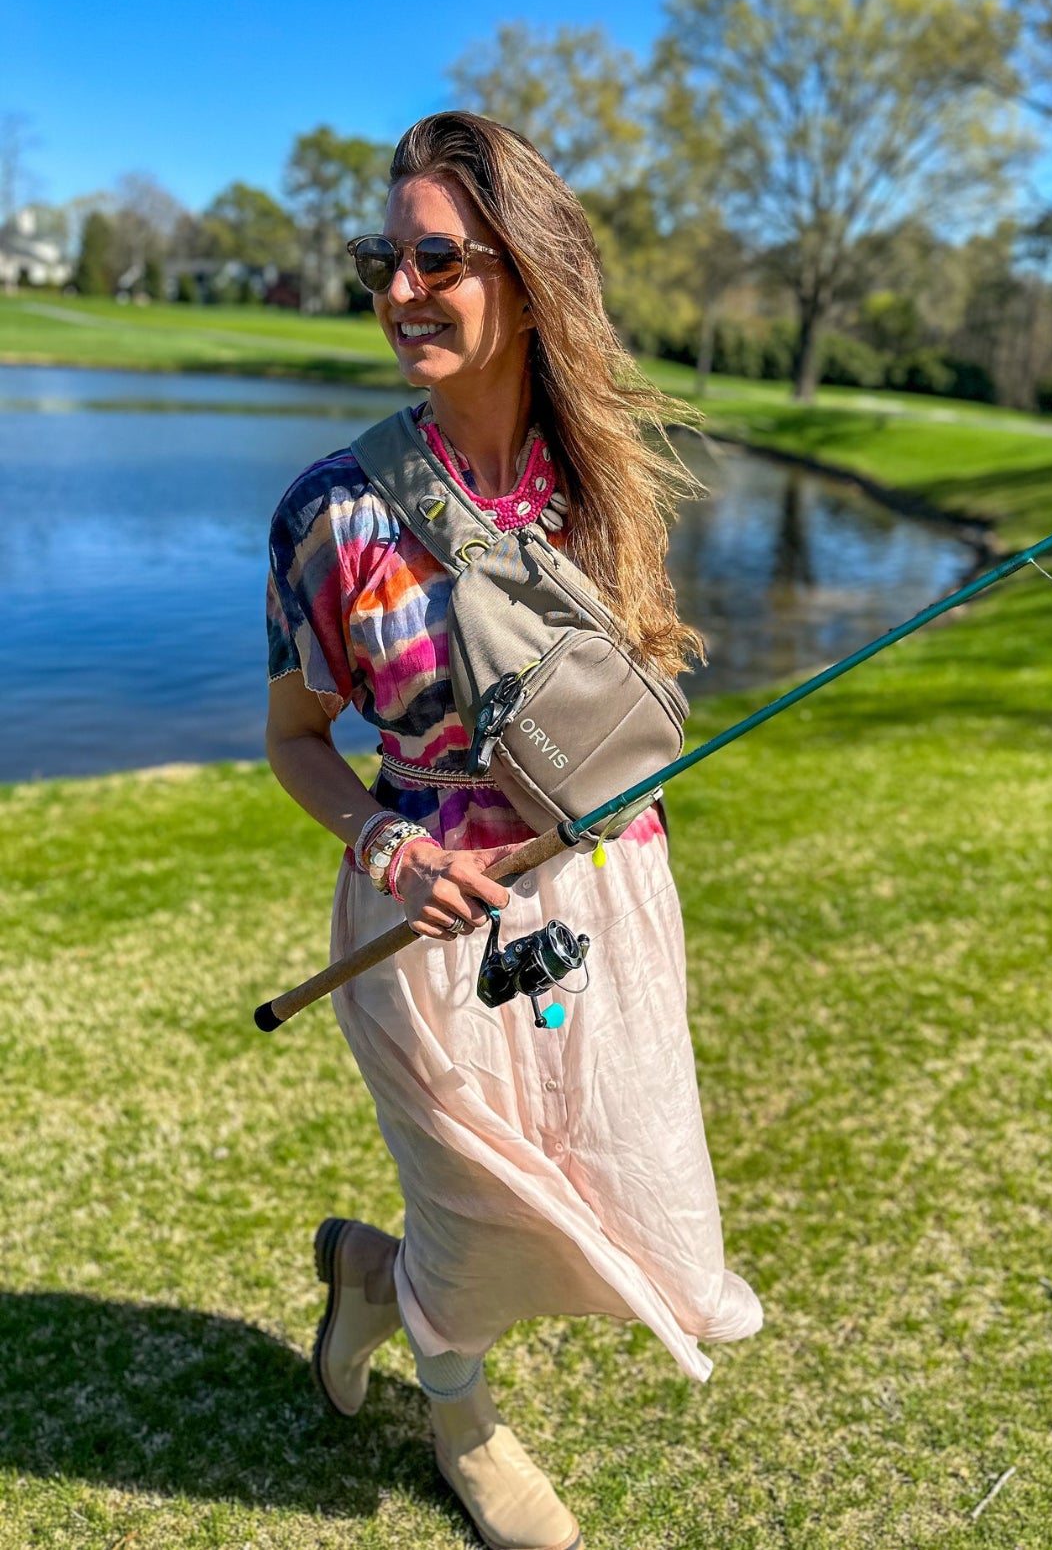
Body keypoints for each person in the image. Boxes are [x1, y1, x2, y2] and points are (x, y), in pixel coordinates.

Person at [264, 111, 761, 1550]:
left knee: (609, 1179)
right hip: (423, 918)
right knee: (483, 1212)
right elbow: (300, 747)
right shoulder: (335, 516)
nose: (401, 290)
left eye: (438, 259)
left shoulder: (606, 490)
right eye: (387, 258)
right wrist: (393, 852)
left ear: (528, 279)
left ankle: (369, 1280)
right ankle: (464, 1421)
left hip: (603, 898)